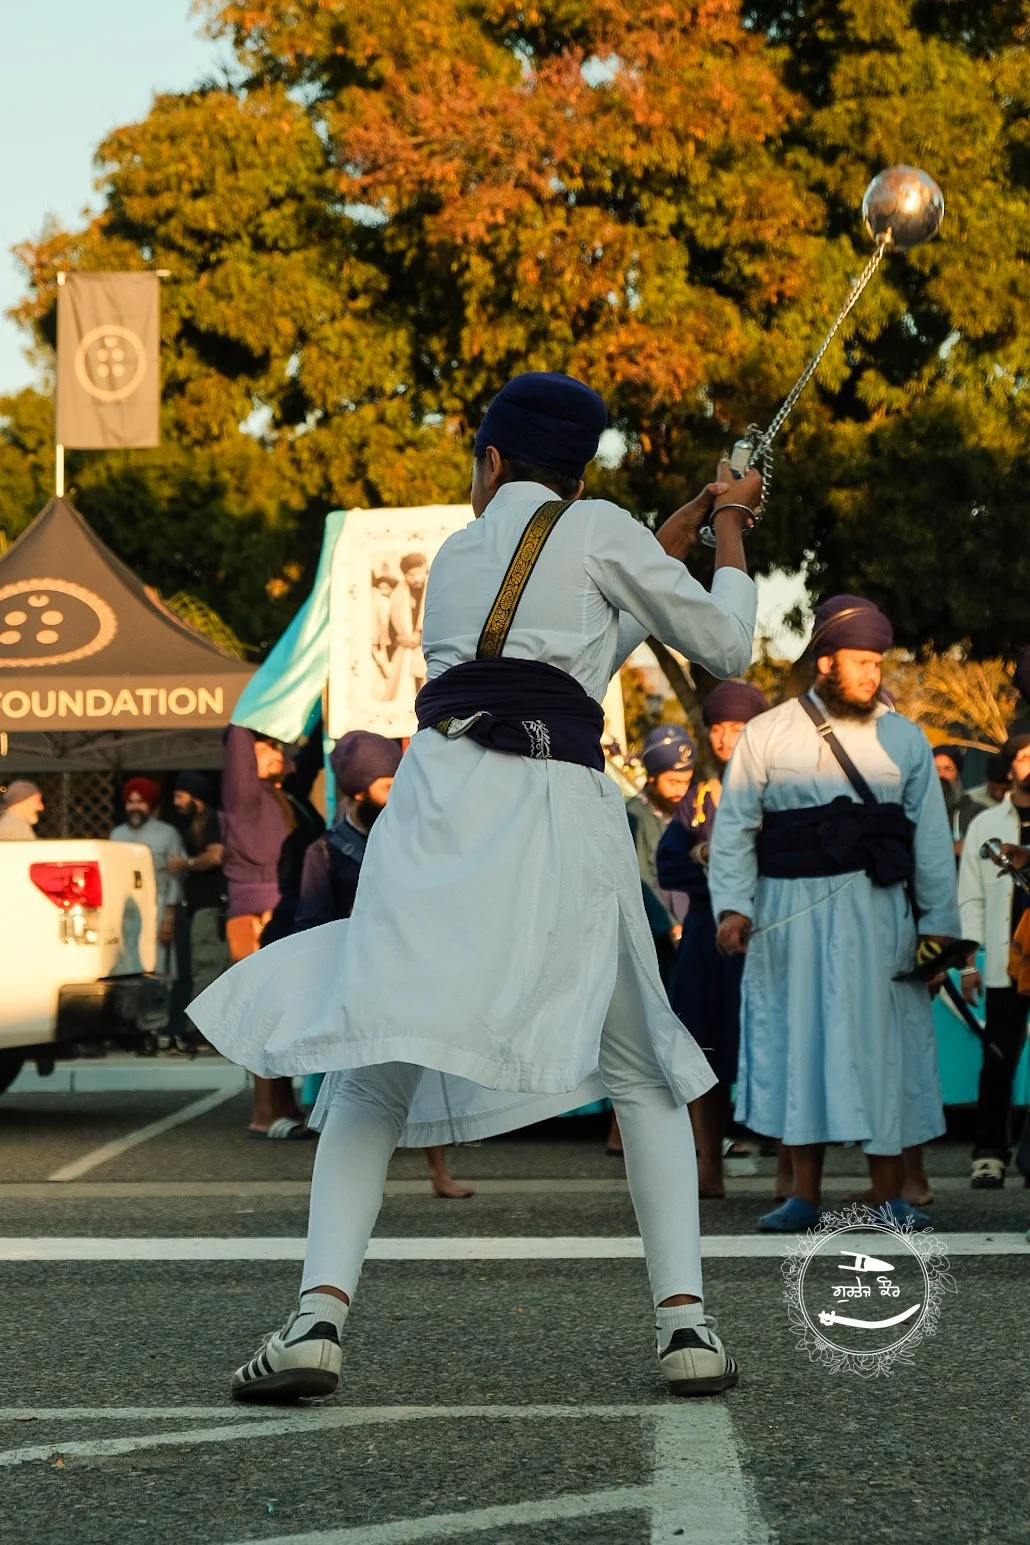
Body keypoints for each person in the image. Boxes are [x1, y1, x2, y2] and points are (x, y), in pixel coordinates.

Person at [191, 368, 761, 1402]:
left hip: (440, 813)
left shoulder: (459, 555)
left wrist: (668, 533)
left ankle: (317, 1318)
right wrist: (727, 527)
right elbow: (722, 643)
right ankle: (687, 1329)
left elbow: (570, 635)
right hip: (554, 813)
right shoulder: (600, 532)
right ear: (578, 471)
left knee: (372, 1066)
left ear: (491, 460)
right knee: (640, 1075)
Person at [709, 594, 961, 1233]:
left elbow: (930, 842)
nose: (872, 675)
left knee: (881, 1047)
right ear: (825, 662)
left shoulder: (905, 739)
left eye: (878, 663)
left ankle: (890, 1194)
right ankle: (803, 1195)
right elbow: (737, 826)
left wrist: (939, 934)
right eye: (860, 662)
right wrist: (734, 907)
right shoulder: (769, 732)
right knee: (802, 1042)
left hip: (881, 916)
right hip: (790, 915)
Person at [295, 729, 473, 1200]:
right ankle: (345, 1186)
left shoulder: (414, 836)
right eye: (386, 785)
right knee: (356, 1088)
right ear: (357, 791)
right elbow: (312, 923)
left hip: (414, 969)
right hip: (357, 979)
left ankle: (439, 1171)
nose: (398, 792)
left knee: (428, 1071)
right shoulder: (326, 851)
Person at [656, 679, 770, 1198]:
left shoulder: (780, 791)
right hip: (705, 935)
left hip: (763, 931)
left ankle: (791, 1175)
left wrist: (718, 858)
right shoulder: (700, 799)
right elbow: (669, 861)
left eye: (737, 729)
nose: (725, 740)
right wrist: (707, 858)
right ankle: (709, 1166)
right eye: (717, 730)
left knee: (770, 1044)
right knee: (703, 1047)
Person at [219, 725, 323, 1139]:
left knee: (286, 1013)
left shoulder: (288, 792)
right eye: (264, 748)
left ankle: (284, 1105)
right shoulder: (243, 796)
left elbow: (312, 757)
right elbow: (238, 738)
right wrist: (252, 714)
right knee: (264, 1012)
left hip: (286, 908)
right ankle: (263, 1112)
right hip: (255, 913)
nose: (274, 752)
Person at [957, 734, 1030, 1188]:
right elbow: (971, 898)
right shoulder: (987, 824)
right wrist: (968, 962)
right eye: (1024, 756)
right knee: (998, 1057)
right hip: (1006, 962)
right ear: (1009, 767)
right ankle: (989, 1152)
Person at [168, 773, 229, 1044]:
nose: (176, 802)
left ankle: (199, 1031)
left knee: (206, 966)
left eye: (180, 796)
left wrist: (186, 864)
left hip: (211, 907)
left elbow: (216, 855)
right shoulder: (198, 823)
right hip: (203, 907)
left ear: (197, 798)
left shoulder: (212, 821)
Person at [111, 778, 185, 970]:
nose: (135, 807)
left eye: (140, 802)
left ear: (150, 805)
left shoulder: (168, 833)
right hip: (123, 909)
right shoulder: (117, 834)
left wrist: (168, 918)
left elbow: (175, 879)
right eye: (130, 802)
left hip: (157, 908)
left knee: (156, 965)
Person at [384, 553, 429, 701]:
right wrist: (400, 638)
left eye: (419, 573)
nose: (416, 578)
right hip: (404, 652)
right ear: (405, 575)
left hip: (429, 650)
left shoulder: (435, 590)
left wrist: (421, 637)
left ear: (425, 570)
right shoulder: (397, 595)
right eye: (411, 575)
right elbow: (390, 628)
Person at [934, 744, 982, 854]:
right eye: (935, 769)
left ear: (958, 774)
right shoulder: (915, 813)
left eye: (948, 768)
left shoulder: (975, 813)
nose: (941, 774)